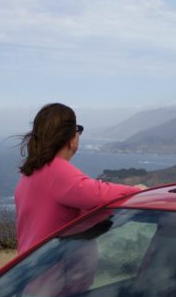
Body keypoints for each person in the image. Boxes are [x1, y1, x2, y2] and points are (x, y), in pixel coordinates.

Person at [14, 103, 145, 254]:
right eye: (78, 130)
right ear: (70, 138)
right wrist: (139, 191)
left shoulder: (30, 173)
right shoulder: (57, 171)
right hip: (53, 271)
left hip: (28, 267)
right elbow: (99, 194)